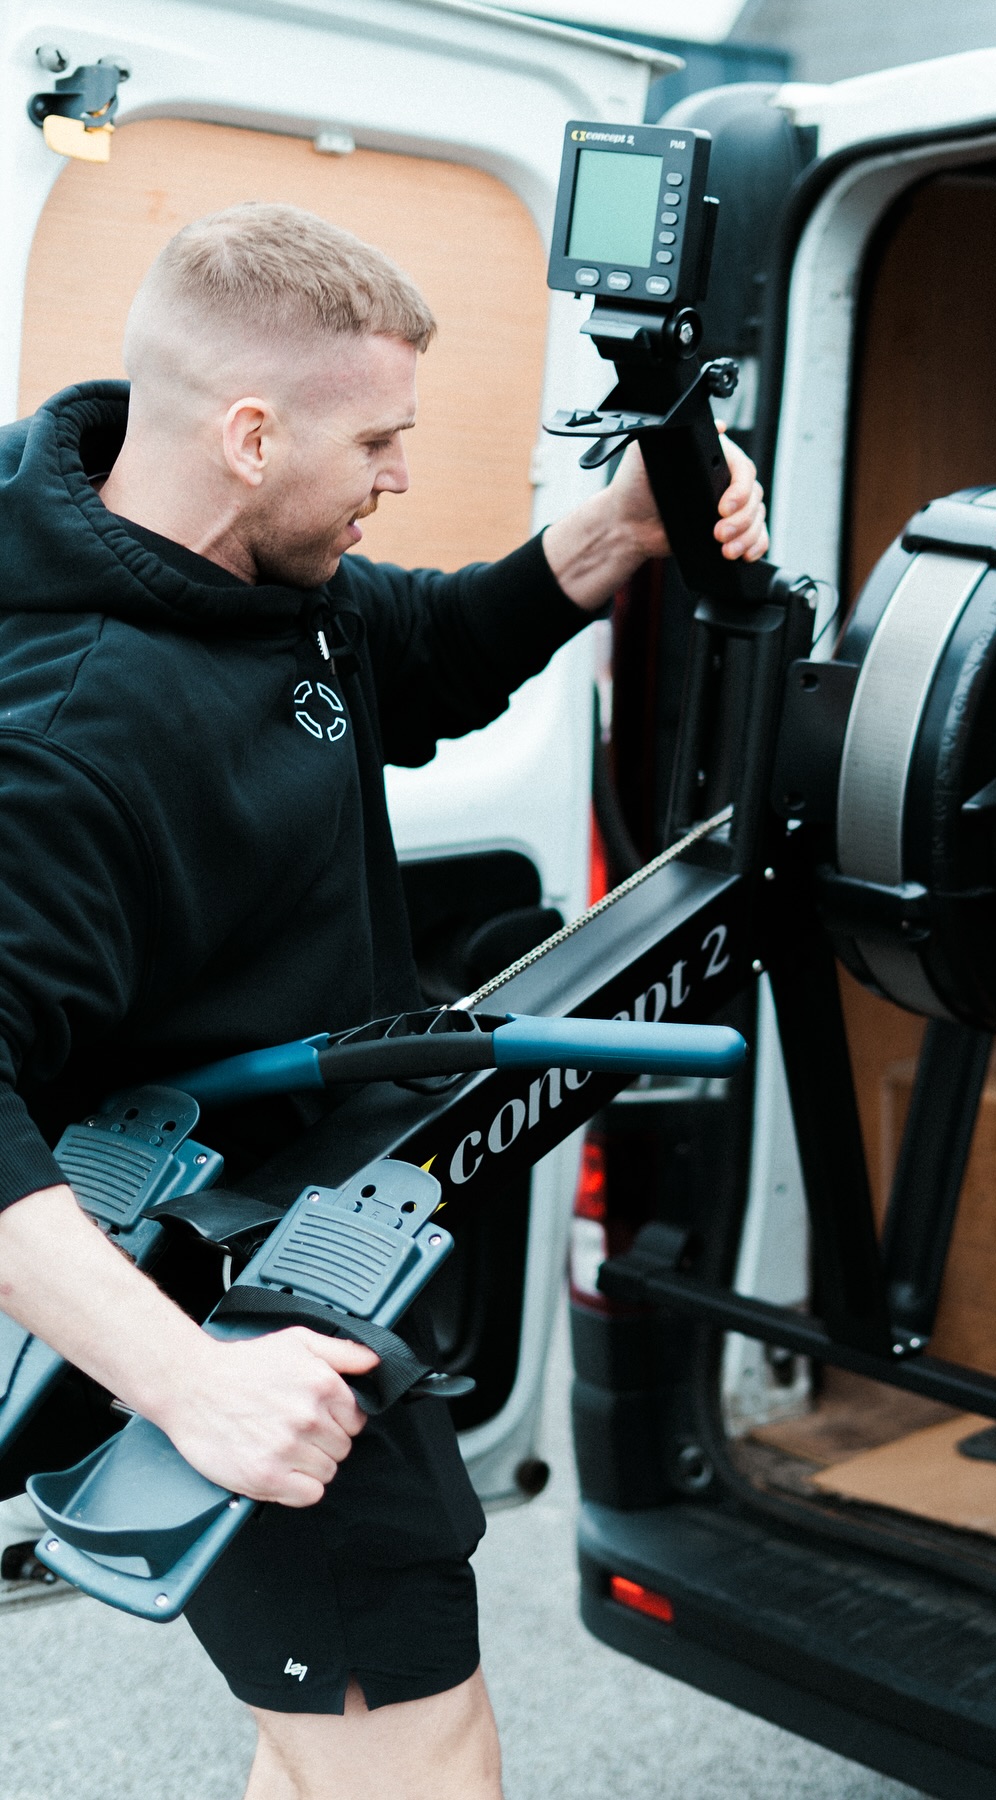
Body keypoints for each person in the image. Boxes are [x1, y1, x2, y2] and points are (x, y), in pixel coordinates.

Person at [0, 201, 768, 1799]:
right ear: (252, 431)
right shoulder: (73, 735)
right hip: (225, 1297)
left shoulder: (242, 563)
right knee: (423, 1764)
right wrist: (194, 1383)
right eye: (382, 444)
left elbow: (406, 656)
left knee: (329, 1748)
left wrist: (621, 525)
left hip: (324, 1247)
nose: (401, 478)